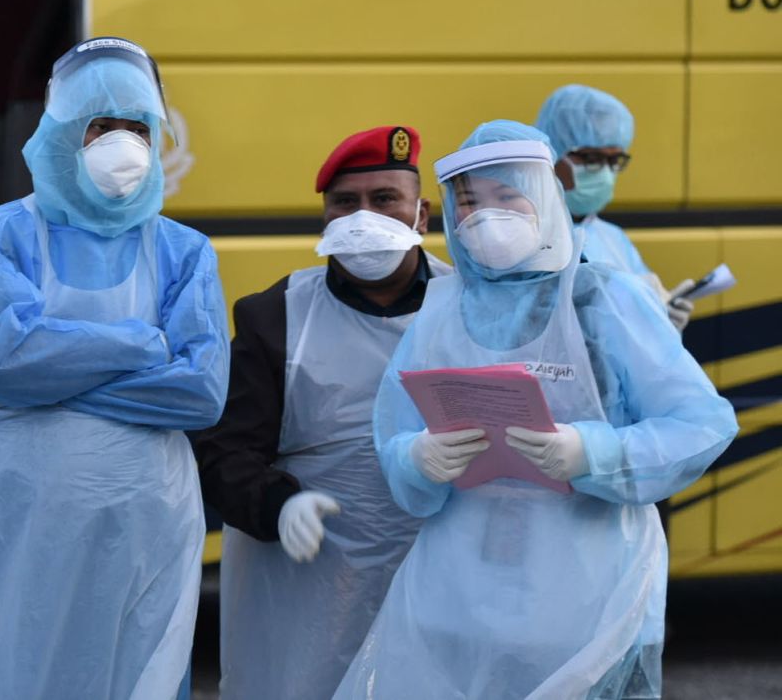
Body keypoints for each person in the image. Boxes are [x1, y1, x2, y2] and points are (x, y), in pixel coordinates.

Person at [334, 120, 738, 699]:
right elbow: (395, 437)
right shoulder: (443, 309)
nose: (485, 216)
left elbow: (703, 424)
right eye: (469, 202)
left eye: (507, 196)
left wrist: (592, 452)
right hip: (458, 600)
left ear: (545, 199)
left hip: (591, 599)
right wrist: (417, 459)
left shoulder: (602, 300)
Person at [0, 37, 231, 699]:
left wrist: (55, 379)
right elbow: (2, 364)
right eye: (100, 126)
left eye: (137, 126)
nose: (122, 144)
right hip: (15, 526)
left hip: (142, 534)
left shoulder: (185, 252)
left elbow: (201, 392)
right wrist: (141, 343)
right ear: (62, 133)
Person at [192, 125, 450, 700]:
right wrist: (277, 505)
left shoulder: (468, 309)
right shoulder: (276, 315)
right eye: (345, 203)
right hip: (302, 588)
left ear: (421, 215)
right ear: (324, 218)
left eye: (384, 200)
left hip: (439, 577)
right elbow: (221, 449)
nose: (363, 216)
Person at [536, 84, 694, 331]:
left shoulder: (613, 238)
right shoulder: (526, 234)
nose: (606, 173)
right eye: (591, 159)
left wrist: (661, 323)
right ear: (552, 153)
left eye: (614, 160)